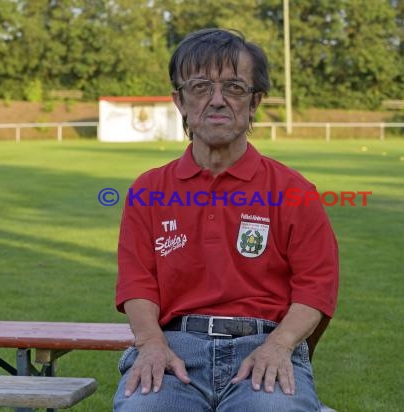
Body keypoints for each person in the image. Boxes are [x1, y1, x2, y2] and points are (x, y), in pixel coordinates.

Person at [114, 28, 339, 412]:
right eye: (200, 87)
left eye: (234, 88)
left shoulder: (293, 189)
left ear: (254, 102)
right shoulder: (149, 189)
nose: (217, 101)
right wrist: (151, 343)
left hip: (263, 343)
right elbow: (137, 284)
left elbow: (315, 287)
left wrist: (280, 346)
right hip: (175, 349)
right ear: (180, 101)